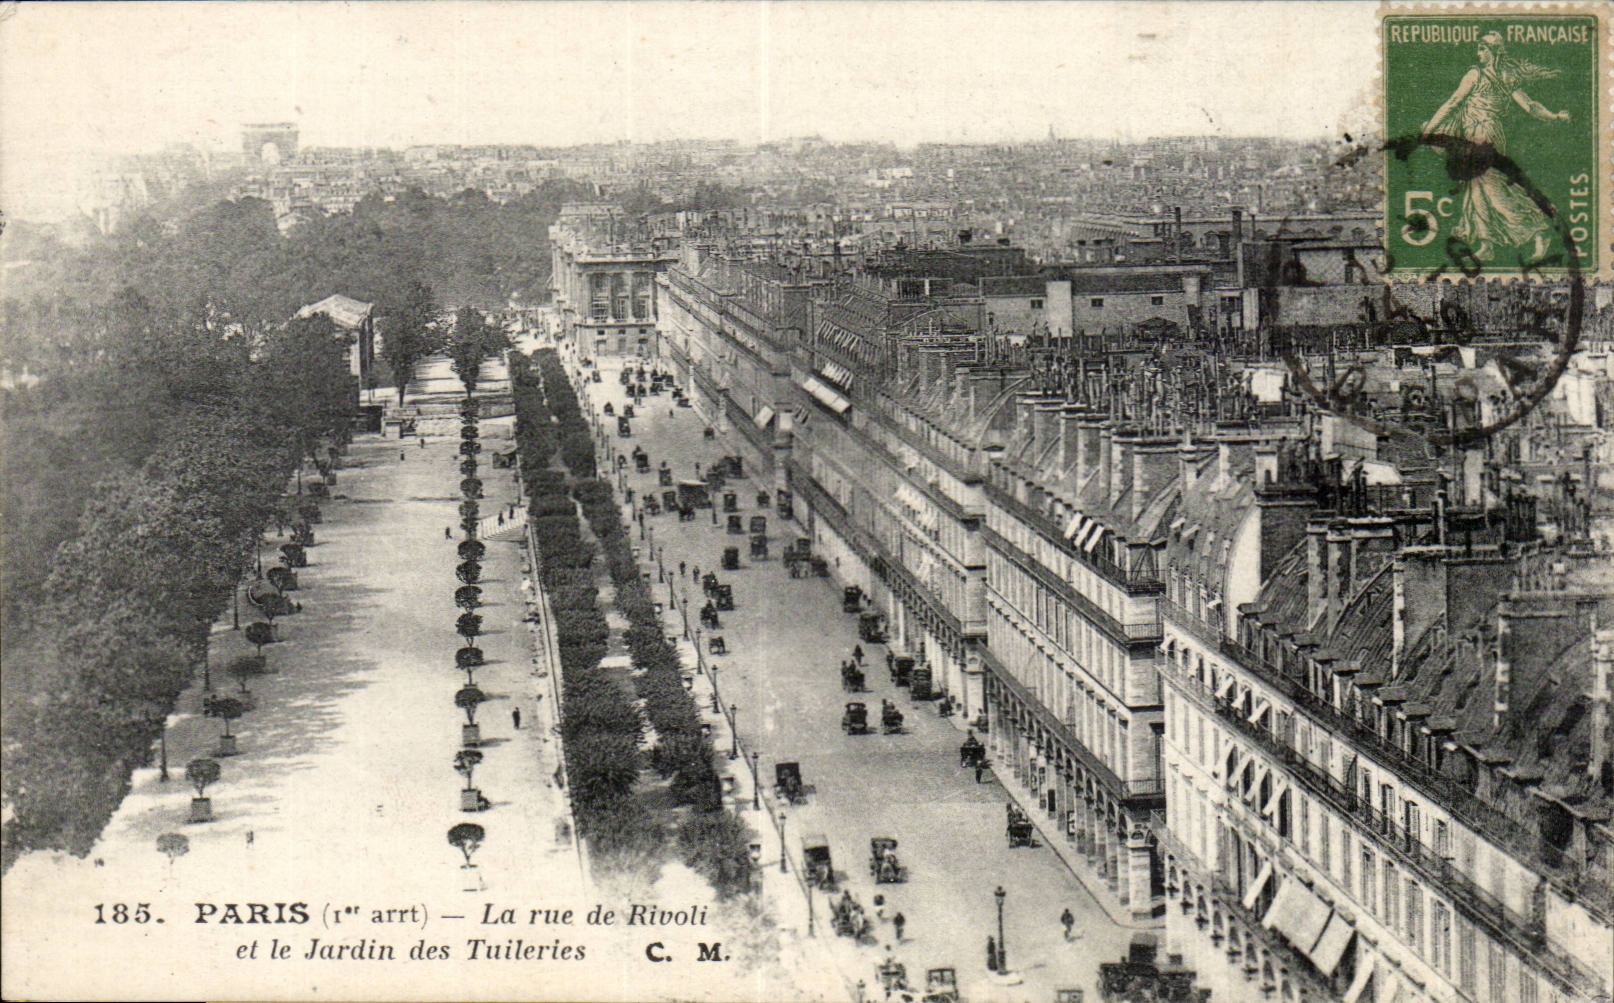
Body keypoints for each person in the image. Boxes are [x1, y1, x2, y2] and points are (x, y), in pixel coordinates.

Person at [1421, 31, 1572, 263]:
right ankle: (1486, 243)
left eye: (1482, 49)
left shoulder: (1476, 75)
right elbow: (1530, 106)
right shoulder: (1506, 77)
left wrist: (1429, 130)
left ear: (1493, 52)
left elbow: (1453, 103)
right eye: (1478, 49)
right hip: (1482, 134)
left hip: (1484, 134)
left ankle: (1539, 229)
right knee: (1477, 187)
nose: (1478, 53)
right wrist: (1553, 116)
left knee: (1492, 188)